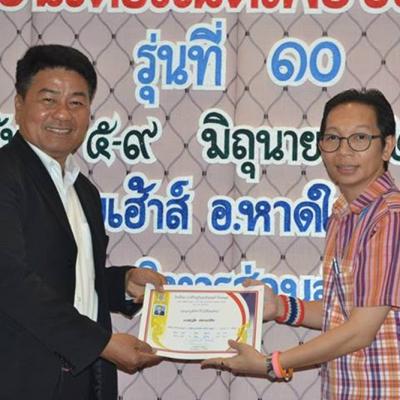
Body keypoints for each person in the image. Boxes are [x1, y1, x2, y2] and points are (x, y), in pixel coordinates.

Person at [202, 89, 400, 399]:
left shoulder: (390, 216)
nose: (343, 151)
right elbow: (341, 314)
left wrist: (272, 363)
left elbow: (361, 331)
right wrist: (280, 307)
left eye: (360, 138)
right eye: (332, 138)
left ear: (387, 146)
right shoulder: (343, 214)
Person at [0, 44, 166, 400]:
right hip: (19, 380)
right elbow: (10, 281)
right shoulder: (5, 174)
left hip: (83, 381)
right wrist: (101, 343)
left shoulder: (83, 190)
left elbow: (66, 275)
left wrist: (122, 283)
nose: (63, 114)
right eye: (48, 100)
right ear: (19, 105)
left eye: (76, 102)